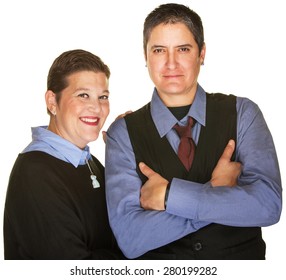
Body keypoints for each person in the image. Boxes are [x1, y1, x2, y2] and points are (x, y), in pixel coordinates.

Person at [105, 3, 282, 260]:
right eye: (159, 50)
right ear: (145, 57)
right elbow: (131, 238)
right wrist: (216, 191)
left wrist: (169, 198)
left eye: (183, 49)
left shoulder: (244, 113)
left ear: (202, 54)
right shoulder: (122, 133)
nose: (171, 63)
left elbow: (268, 206)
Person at [4, 49, 123, 259]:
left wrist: (126, 153)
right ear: (52, 102)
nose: (96, 108)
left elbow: (124, 231)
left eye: (102, 97)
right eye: (83, 95)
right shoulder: (35, 173)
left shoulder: (90, 163)